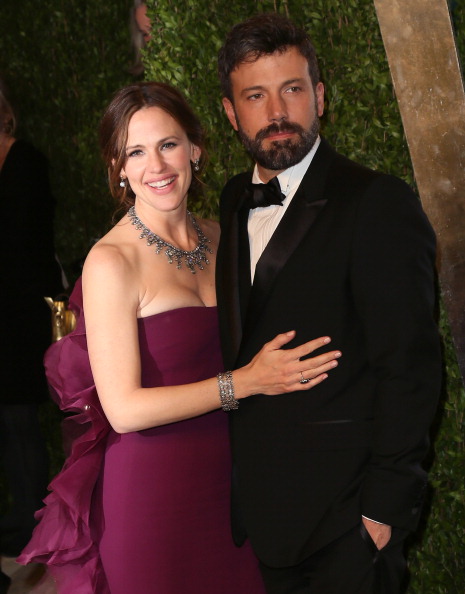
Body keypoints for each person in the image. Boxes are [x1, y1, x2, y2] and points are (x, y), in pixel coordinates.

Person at [18, 81, 341, 594]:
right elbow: (122, 409)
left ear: (195, 148)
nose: (157, 167)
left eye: (168, 145)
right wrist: (244, 383)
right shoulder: (110, 261)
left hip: (237, 493)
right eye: (136, 152)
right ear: (119, 169)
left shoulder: (223, 234)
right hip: (153, 498)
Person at [216, 13, 442, 594]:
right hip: (266, 523)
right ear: (230, 112)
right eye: (255, 96)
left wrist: (381, 514)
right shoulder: (234, 200)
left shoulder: (376, 204)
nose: (276, 114)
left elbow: (411, 368)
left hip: (346, 528)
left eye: (292, 89)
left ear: (318, 96)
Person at [0, 75, 63, 593]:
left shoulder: (26, 163)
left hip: (20, 317)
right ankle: (22, 523)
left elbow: (27, 247)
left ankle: (38, 528)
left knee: (20, 422)